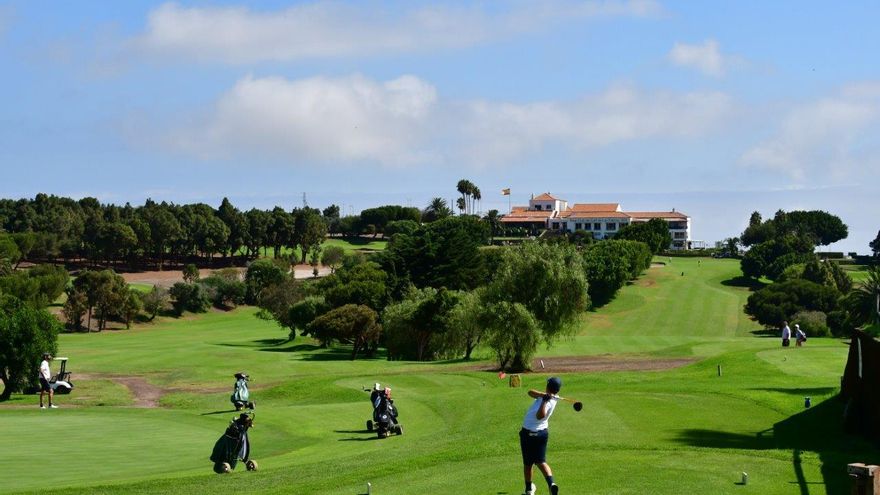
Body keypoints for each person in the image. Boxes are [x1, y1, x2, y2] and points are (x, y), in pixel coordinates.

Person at [519, 377, 562, 495]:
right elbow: (530, 392)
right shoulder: (550, 397)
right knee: (540, 461)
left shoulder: (549, 402)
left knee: (528, 463)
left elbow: (540, 416)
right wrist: (543, 395)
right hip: (541, 434)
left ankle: (529, 490)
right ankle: (551, 484)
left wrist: (544, 401)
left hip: (529, 435)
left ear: (548, 386)